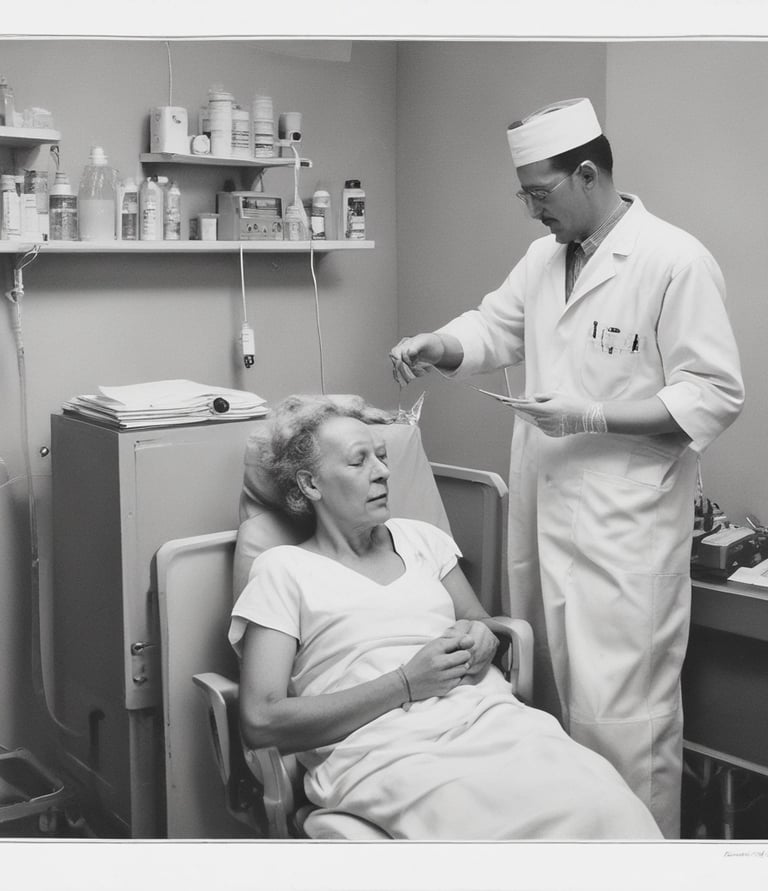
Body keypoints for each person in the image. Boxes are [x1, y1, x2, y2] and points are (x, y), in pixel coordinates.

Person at [388, 97, 745, 839]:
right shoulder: (543, 260)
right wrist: (437, 344)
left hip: (624, 534)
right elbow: (495, 328)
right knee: (545, 711)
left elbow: (714, 394)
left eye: (540, 194)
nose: (532, 210)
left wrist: (593, 414)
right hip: (543, 516)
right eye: (523, 195)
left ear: (587, 174)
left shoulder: (674, 261)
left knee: (622, 723)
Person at [229, 394, 661, 840]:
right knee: (496, 835)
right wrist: (406, 683)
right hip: (387, 752)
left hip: (492, 722)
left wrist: (485, 638)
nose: (382, 472)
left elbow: (482, 624)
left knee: (609, 805)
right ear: (310, 484)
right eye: (359, 462)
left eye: (382, 457)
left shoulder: (422, 540)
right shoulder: (282, 570)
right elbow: (261, 721)